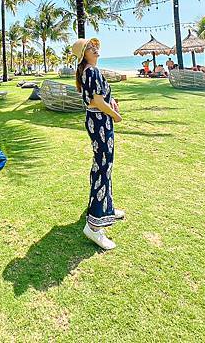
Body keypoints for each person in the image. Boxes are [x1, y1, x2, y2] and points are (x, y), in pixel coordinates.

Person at [72, 37, 125, 251]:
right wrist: (115, 115)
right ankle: (94, 226)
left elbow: (97, 98)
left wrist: (110, 103)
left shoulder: (87, 71)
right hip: (100, 121)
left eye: (95, 47)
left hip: (96, 120)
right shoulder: (91, 71)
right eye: (90, 48)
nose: (95, 50)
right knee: (103, 167)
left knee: (102, 165)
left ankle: (106, 207)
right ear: (83, 54)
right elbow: (96, 101)